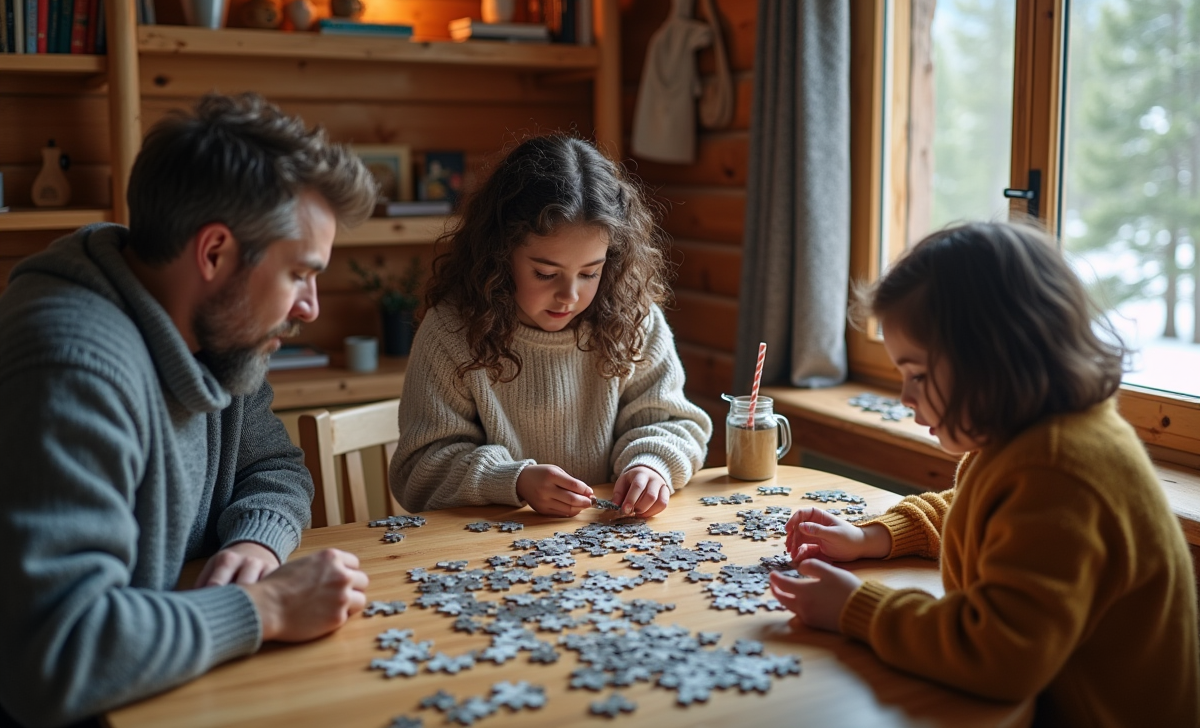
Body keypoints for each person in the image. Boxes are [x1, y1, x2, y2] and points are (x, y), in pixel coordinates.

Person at [0, 93, 379, 728]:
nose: (310, 307)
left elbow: (278, 468)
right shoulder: (70, 366)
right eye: (299, 274)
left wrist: (257, 537)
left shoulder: (220, 340)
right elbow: (54, 651)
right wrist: (268, 609)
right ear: (214, 253)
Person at [768, 221, 1200, 726]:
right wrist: (872, 536)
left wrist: (857, 607)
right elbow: (973, 510)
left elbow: (1000, 654)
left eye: (918, 375)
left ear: (996, 359)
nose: (905, 398)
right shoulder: (1026, 438)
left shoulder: (1061, 468)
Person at [390, 134, 712, 518]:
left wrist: (650, 464)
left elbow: (672, 423)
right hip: (486, 553)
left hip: (609, 543)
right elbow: (418, 471)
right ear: (499, 254)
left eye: (591, 272)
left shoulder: (633, 319)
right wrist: (513, 480)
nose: (569, 296)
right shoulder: (451, 331)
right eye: (545, 273)